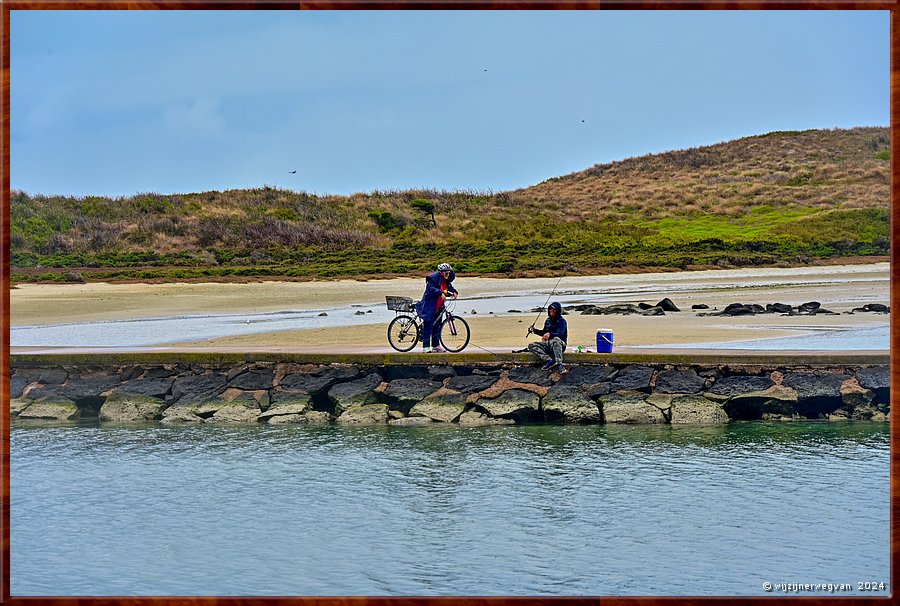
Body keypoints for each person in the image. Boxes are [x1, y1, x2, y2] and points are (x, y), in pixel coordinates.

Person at [415, 262, 458, 353]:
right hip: (430, 305)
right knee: (428, 325)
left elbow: (449, 287)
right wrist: (440, 293)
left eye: (449, 273)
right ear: (441, 272)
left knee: (437, 326)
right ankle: (426, 347)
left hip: (439, 306)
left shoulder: (446, 281)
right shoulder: (433, 279)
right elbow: (431, 289)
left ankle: (436, 346)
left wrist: (454, 292)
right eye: (446, 273)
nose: (448, 275)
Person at [527, 301, 568, 373]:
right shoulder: (548, 321)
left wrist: (550, 334)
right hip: (548, 344)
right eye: (550, 309)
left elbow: (560, 334)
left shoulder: (562, 321)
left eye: (554, 309)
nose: (552, 311)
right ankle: (549, 360)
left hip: (560, 344)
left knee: (556, 339)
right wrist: (534, 330)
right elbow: (544, 333)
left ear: (557, 310)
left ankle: (559, 364)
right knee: (531, 345)